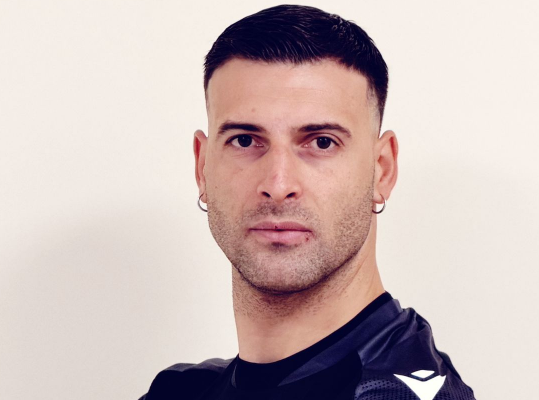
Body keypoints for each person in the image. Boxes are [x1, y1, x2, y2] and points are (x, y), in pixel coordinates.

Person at [140, 4, 475, 400]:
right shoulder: (179, 391)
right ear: (202, 167)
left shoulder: (396, 392)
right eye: (244, 140)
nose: (278, 184)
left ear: (382, 170)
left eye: (322, 142)